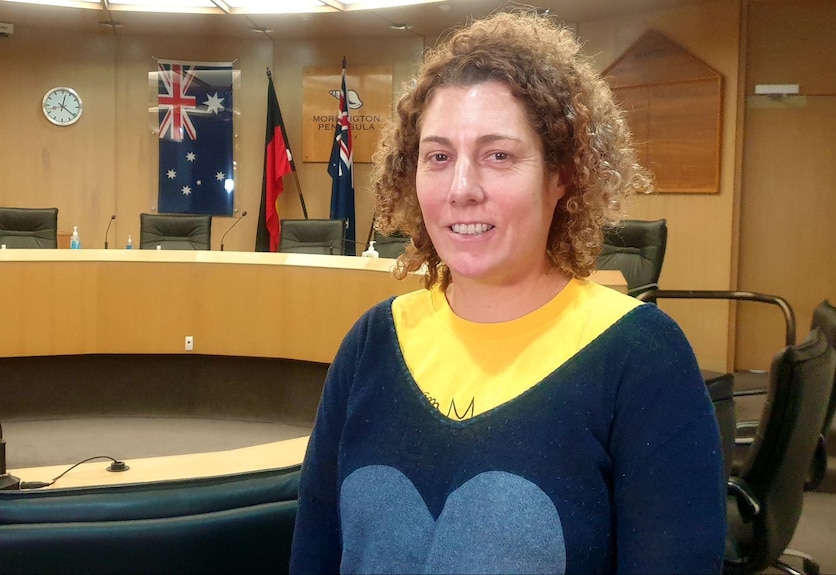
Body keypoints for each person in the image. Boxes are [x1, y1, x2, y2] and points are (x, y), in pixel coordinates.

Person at [290, 9, 726, 574]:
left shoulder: (641, 358)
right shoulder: (373, 342)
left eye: (498, 155)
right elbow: (315, 554)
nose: (461, 189)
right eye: (438, 157)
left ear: (563, 174)